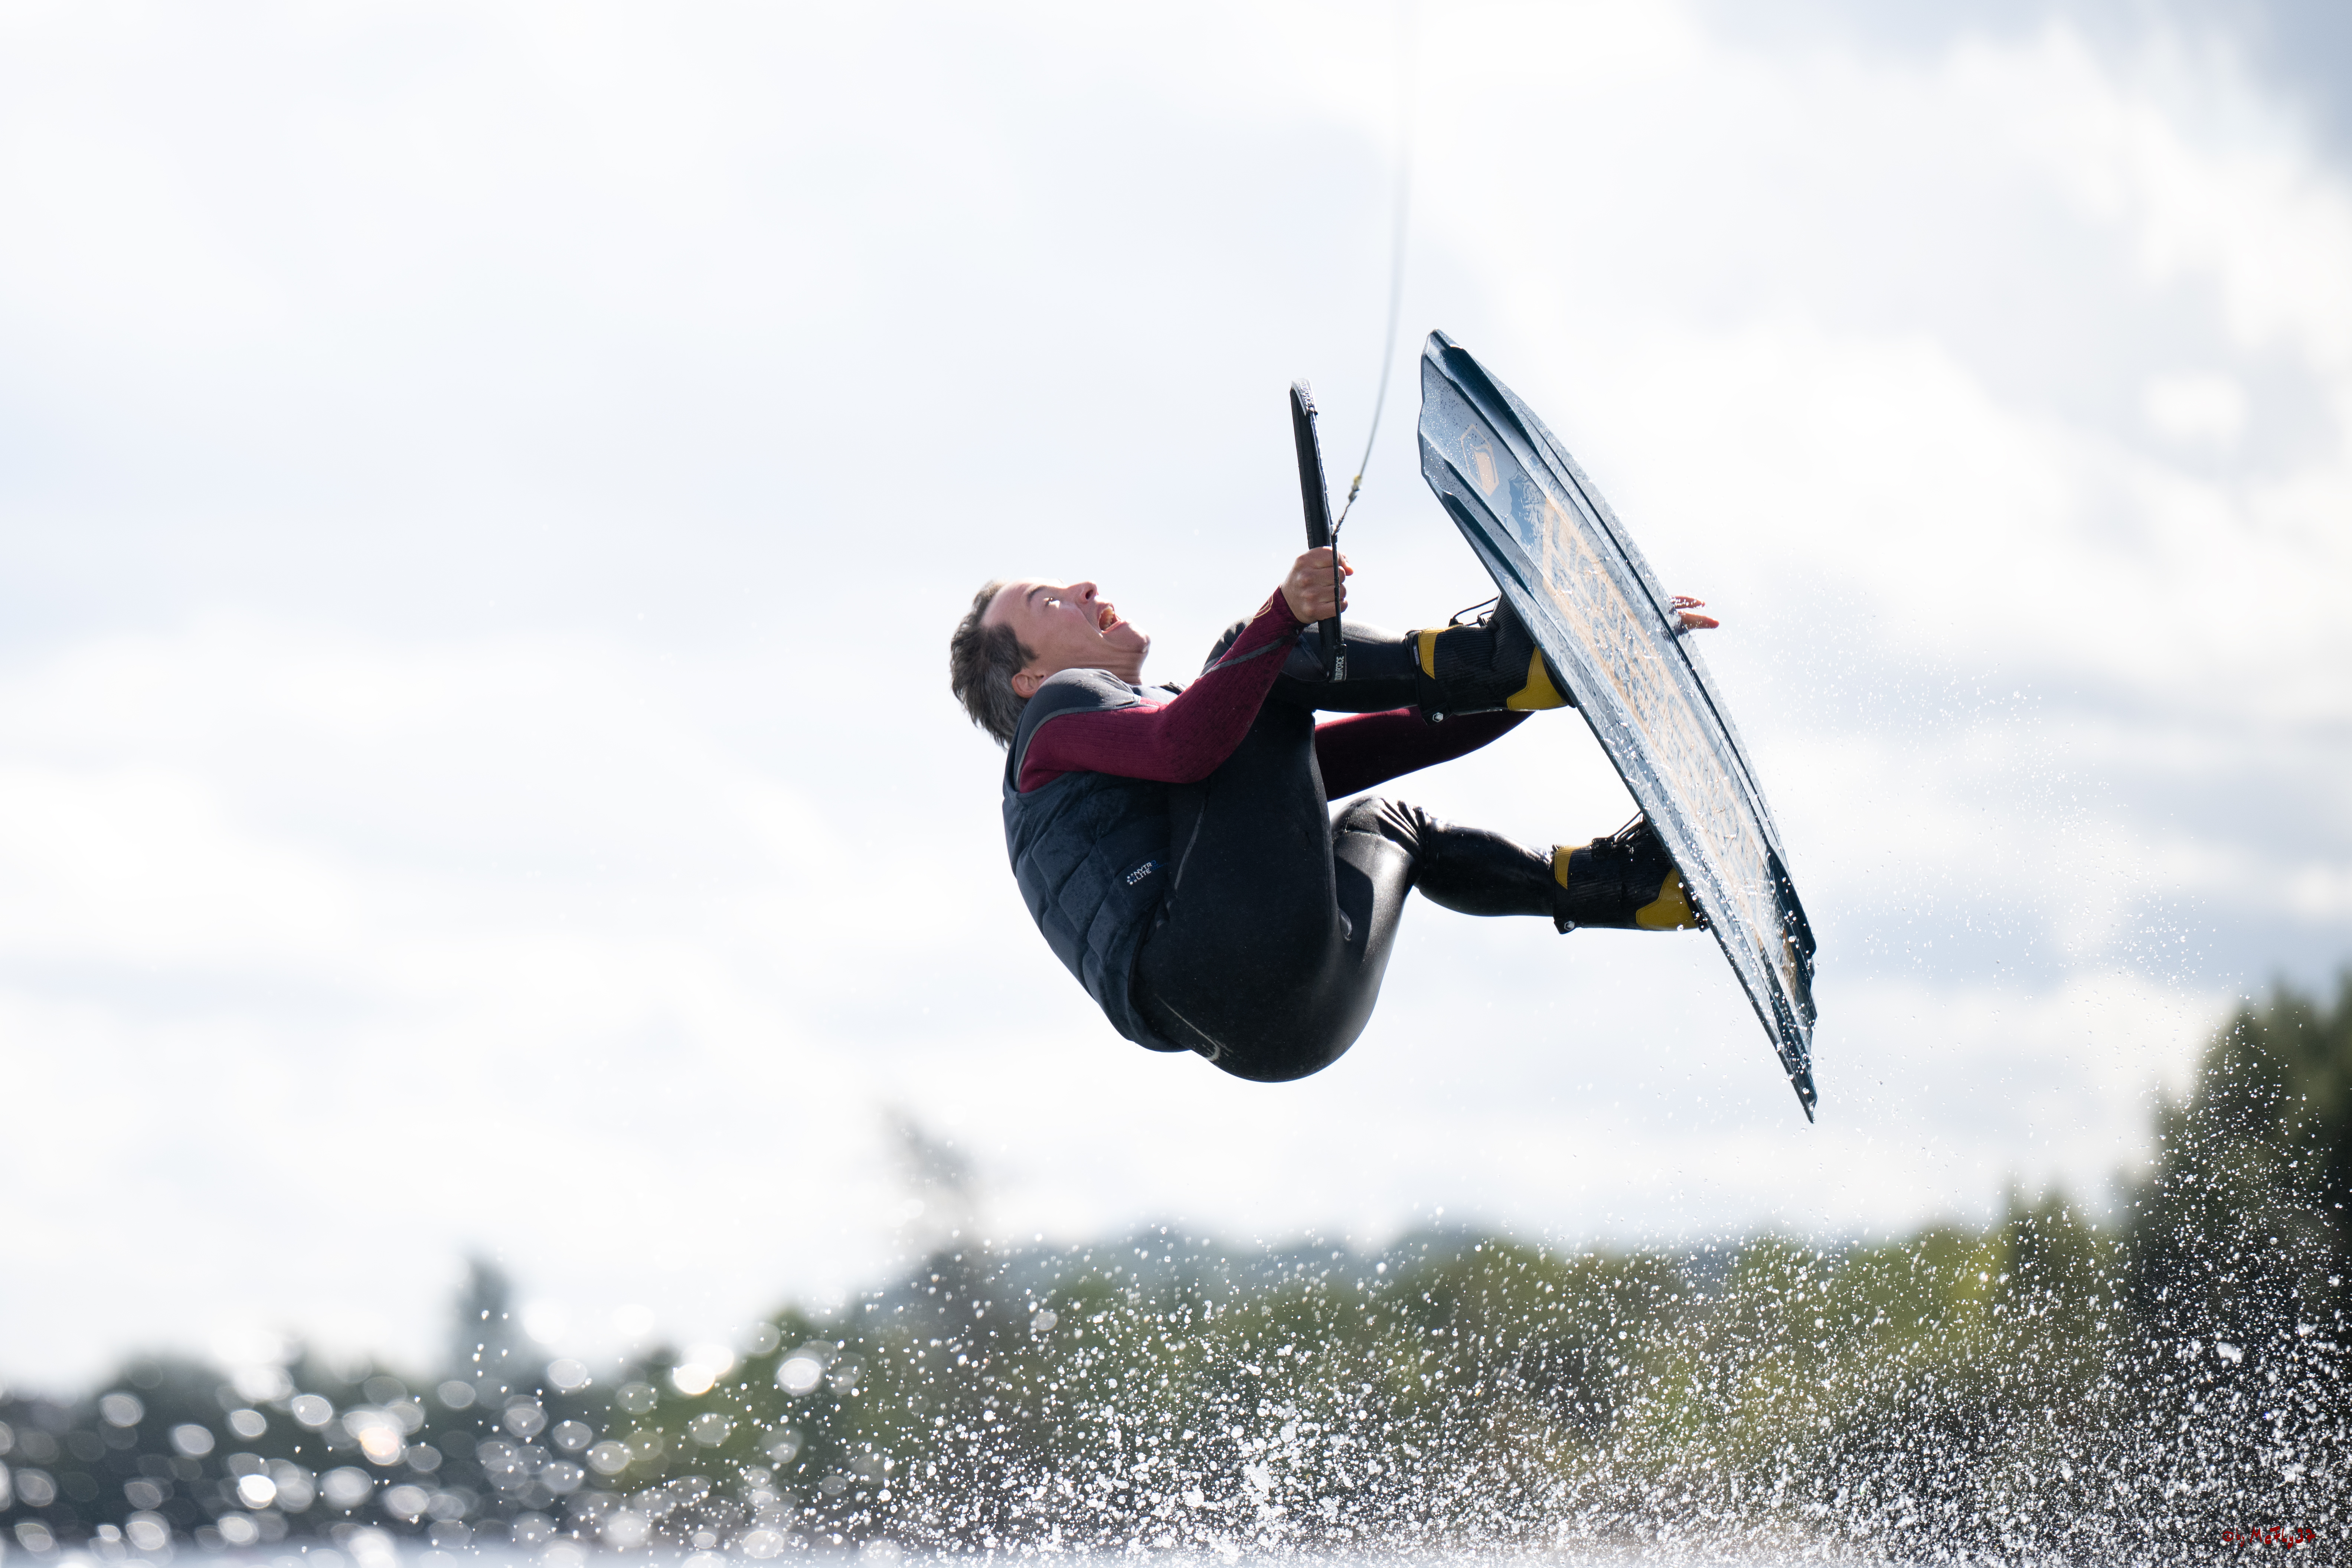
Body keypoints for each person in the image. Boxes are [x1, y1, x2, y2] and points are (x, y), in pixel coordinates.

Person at [947, 549, 1718, 1083]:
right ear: (1029, 678)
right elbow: (1186, 743)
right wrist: (1281, 616)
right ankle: (1505, 658)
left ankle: (1636, 889)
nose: (1083, 586)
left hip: (1288, 1035)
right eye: (1047, 602)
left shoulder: (1144, 754)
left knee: (1393, 825)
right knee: (1246, 657)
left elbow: (1365, 754)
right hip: (1222, 961)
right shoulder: (1057, 716)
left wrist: (1573, 672)